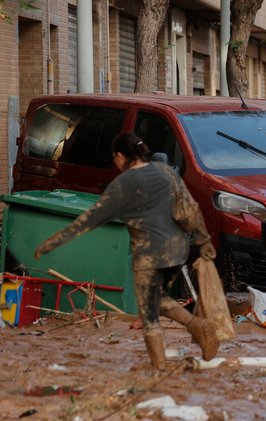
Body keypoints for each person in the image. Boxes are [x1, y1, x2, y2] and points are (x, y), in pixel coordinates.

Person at [34, 132, 220, 370]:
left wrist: (51, 243)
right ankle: (198, 327)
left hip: (150, 256)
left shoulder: (121, 185)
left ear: (122, 156)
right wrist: (204, 241)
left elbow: (88, 220)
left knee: (149, 314)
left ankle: (160, 368)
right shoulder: (165, 172)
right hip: (178, 250)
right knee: (159, 300)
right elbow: (189, 209)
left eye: (115, 158)